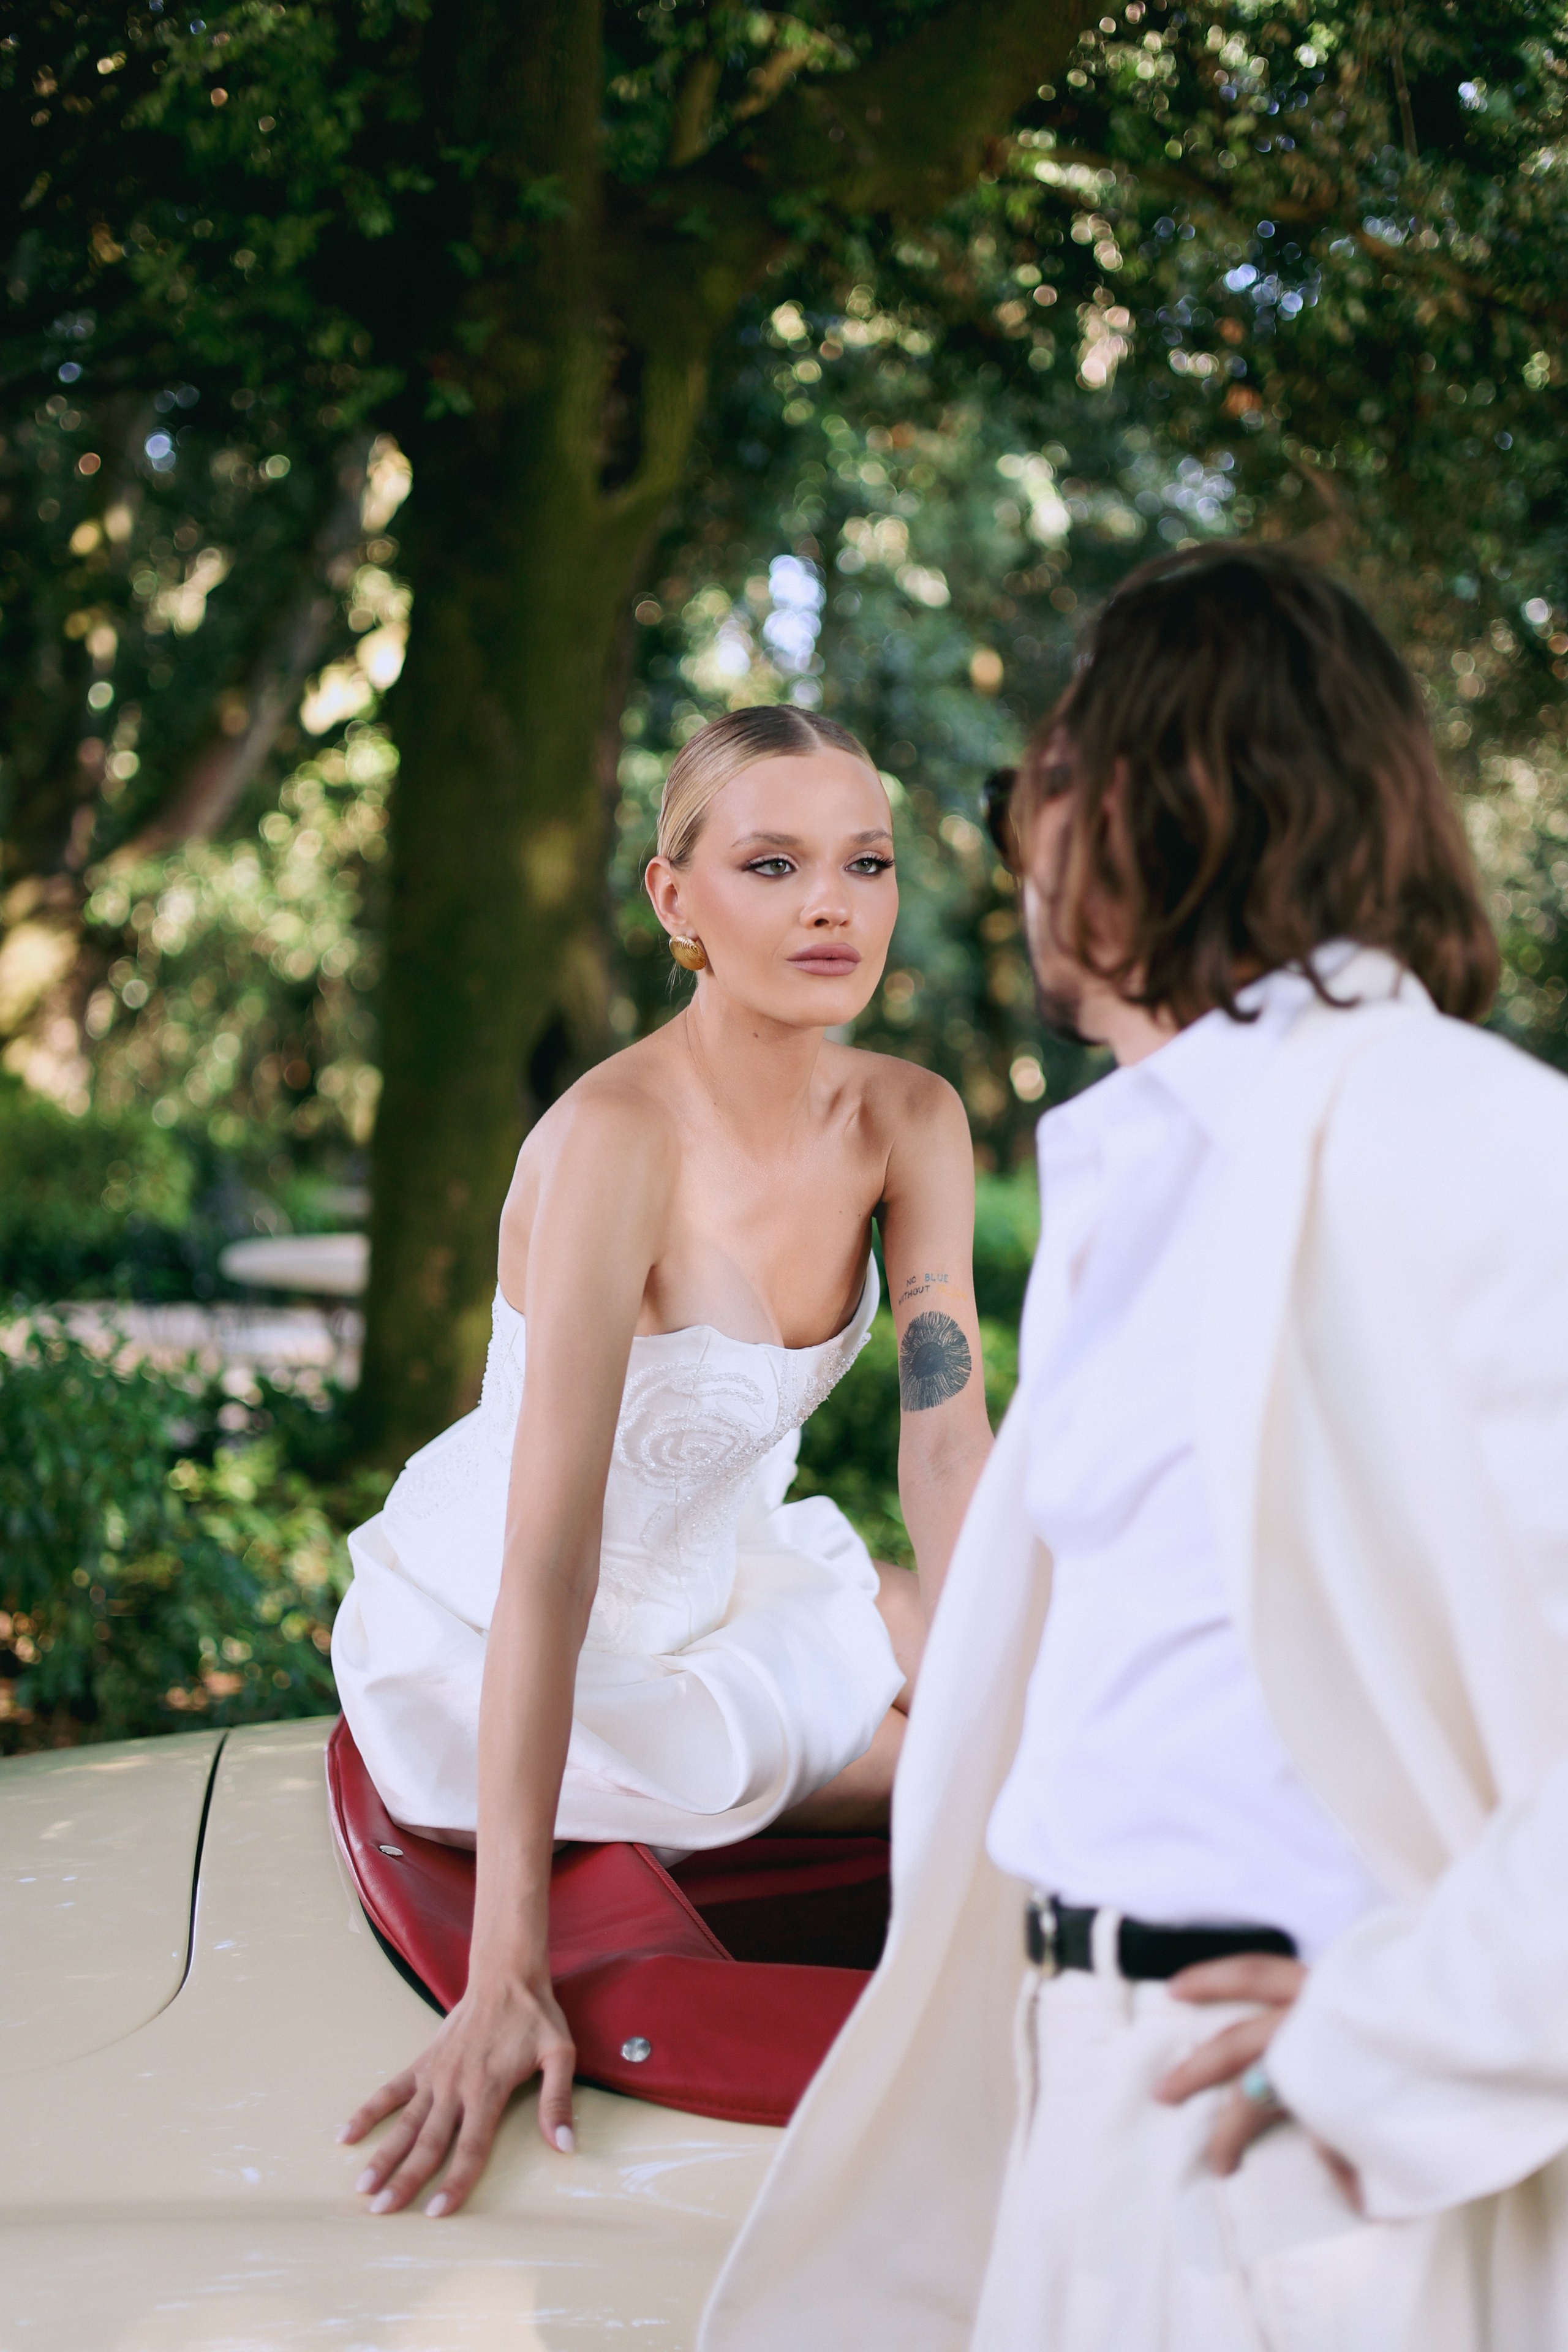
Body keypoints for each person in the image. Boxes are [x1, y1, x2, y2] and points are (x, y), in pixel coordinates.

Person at [699, 546, 1568, 2351]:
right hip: (1071, 2116)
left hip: (1316, 2167)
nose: (1013, 853)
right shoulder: (1138, 1176)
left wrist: (1390, 2043)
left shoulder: (1485, 1151)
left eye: (1037, 791)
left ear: (1156, 801)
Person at [333, 704, 993, 2218]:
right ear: (672, 898)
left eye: (866, 861)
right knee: (955, 1782)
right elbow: (548, 1547)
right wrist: (502, 1974)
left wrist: (988, 1692)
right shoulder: (613, 1137)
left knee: (1023, 1719)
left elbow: (947, 1447)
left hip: (728, 1569)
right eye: (773, 864)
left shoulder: (910, 1117)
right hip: (530, 1629)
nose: (833, 903)